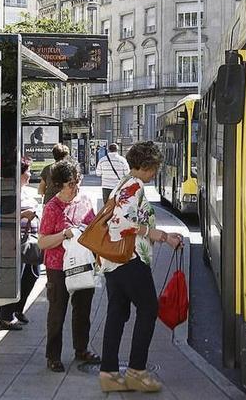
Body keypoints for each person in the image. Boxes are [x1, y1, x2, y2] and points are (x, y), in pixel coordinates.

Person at [98, 141, 184, 393]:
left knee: (117, 313)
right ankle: (136, 371)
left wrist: (162, 235)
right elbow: (118, 222)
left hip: (114, 261)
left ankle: (110, 374)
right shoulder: (134, 185)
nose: (156, 172)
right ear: (146, 165)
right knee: (148, 308)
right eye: (155, 167)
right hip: (130, 259)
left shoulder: (124, 183)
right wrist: (155, 234)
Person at [37, 159, 101, 372]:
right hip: (57, 267)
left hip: (83, 263)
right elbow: (43, 242)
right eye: (71, 183)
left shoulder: (84, 200)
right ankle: (53, 356)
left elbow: (93, 229)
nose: (76, 187)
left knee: (83, 309)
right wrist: (64, 234)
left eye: (77, 181)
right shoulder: (52, 208)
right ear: (59, 185)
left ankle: (81, 349)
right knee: (57, 311)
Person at [0, 156, 41, 330]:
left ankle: (18, 308)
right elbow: (1, 217)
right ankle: (6, 316)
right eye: (27, 171)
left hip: (30, 240)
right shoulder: (8, 193)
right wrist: (23, 215)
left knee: (33, 274)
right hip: (13, 241)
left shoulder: (26, 191)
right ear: (19, 174)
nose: (30, 175)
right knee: (15, 278)